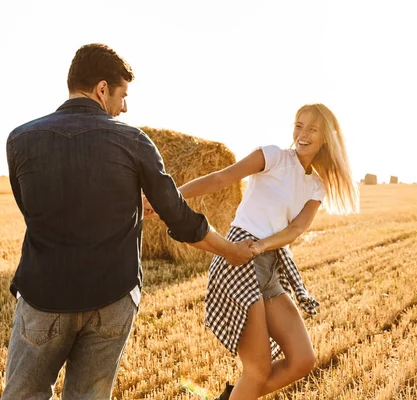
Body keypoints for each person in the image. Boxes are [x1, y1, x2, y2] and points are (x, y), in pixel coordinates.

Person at [2, 43, 253, 400]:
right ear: (102, 89)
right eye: (123, 95)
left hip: (44, 295)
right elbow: (180, 219)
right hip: (112, 297)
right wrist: (228, 250)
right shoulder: (134, 141)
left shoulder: (20, 139)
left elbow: (35, 211)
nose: (125, 107)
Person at [147, 103, 359, 399]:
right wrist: (168, 199)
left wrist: (262, 246)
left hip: (270, 264)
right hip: (239, 258)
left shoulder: (316, 185)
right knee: (257, 370)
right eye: (299, 125)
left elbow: (296, 230)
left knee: (302, 360)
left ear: (327, 137)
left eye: (313, 128)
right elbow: (221, 178)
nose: (303, 133)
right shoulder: (273, 156)